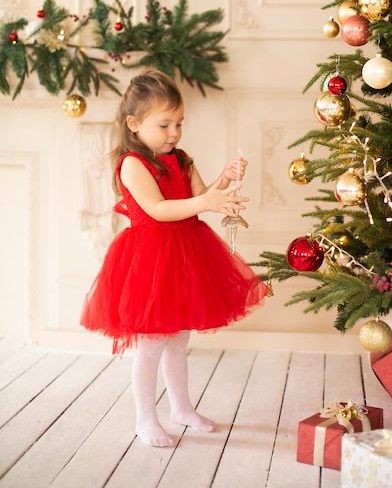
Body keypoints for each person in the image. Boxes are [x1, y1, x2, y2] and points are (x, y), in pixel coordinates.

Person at [80, 69, 269, 447]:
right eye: (164, 124)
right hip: (151, 258)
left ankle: (181, 407)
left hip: (186, 252)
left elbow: (200, 195)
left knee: (180, 339)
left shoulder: (181, 158)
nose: (174, 133)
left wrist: (225, 181)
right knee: (152, 343)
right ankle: (145, 419)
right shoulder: (133, 164)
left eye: (179, 123)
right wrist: (206, 201)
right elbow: (158, 209)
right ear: (134, 124)